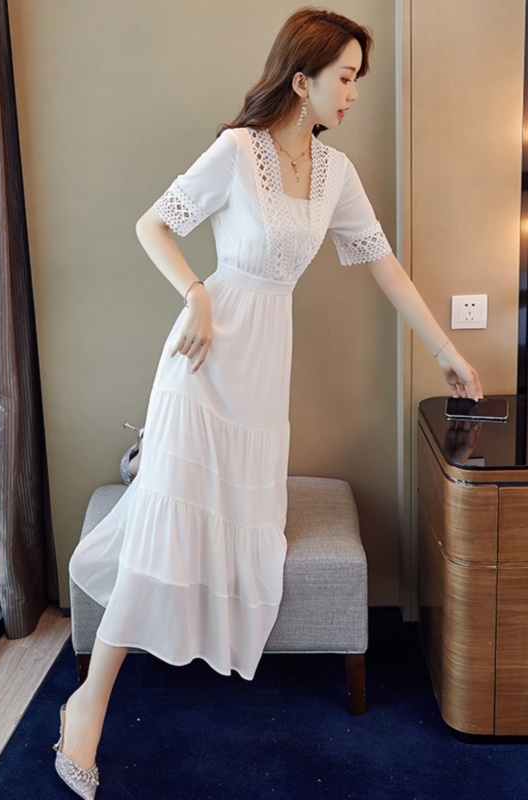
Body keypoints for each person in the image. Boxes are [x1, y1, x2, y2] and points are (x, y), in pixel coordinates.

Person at [53, 7, 483, 798]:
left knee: (238, 531)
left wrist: (446, 352)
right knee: (165, 535)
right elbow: (152, 225)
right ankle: (89, 707)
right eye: (345, 77)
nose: (353, 93)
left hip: (260, 378)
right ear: (302, 79)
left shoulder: (335, 174)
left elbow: (386, 267)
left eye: (357, 79)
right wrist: (195, 294)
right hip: (203, 361)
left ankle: (148, 484)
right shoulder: (236, 152)